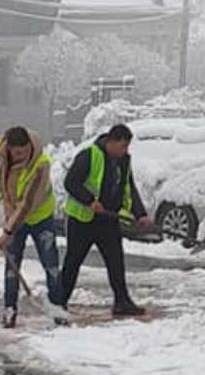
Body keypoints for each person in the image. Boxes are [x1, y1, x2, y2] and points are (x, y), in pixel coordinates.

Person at [0, 125, 63, 326]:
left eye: (24, 152)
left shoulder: (41, 165)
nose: (21, 156)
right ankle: (9, 310)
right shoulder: (0, 148)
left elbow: (27, 205)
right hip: (12, 215)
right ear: (9, 148)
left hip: (40, 217)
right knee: (11, 265)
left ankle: (59, 310)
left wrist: (7, 232)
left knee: (51, 265)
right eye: (17, 153)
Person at [57, 122, 149, 318]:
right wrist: (89, 201)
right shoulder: (89, 155)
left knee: (116, 260)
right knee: (73, 262)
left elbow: (129, 188)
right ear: (112, 142)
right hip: (83, 220)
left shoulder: (123, 161)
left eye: (127, 147)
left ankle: (122, 301)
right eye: (123, 146)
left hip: (108, 220)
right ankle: (60, 302)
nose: (125, 151)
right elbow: (70, 182)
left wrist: (140, 214)